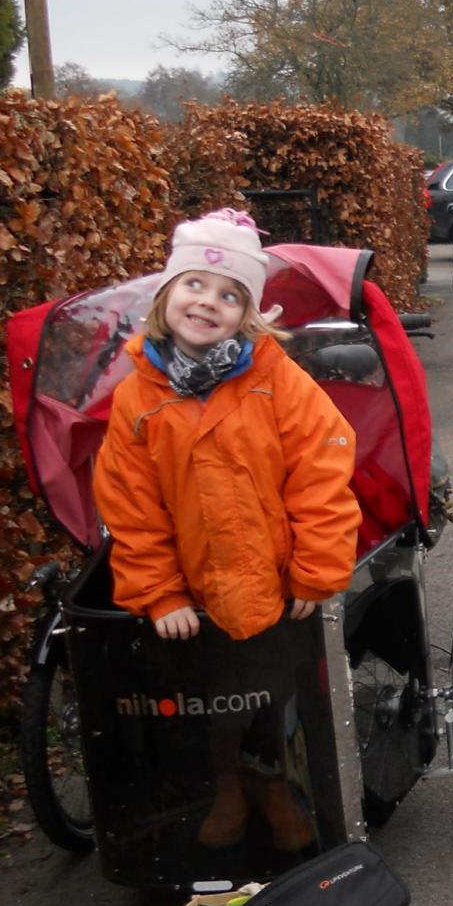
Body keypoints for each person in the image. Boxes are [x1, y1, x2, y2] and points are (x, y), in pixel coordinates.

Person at [93, 207, 360, 849]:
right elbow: (131, 504)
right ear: (166, 293)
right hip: (196, 586)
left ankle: (274, 788)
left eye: (230, 295)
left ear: (250, 314)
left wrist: (316, 571)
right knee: (213, 697)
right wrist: (158, 591)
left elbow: (321, 469)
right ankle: (229, 788)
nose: (208, 302)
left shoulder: (276, 381)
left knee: (272, 694)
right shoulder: (139, 395)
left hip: (275, 582)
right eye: (194, 284)